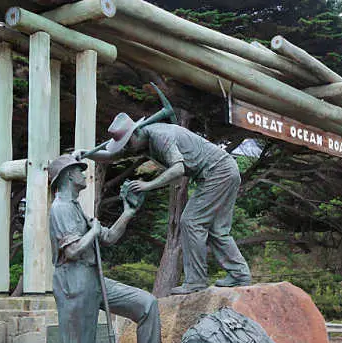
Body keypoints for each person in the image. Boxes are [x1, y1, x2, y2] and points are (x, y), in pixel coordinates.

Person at [48, 155, 162, 343]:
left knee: (146, 304)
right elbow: (72, 251)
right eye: (78, 171)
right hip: (73, 282)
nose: (84, 175)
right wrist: (93, 231)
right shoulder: (60, 209)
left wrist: (128, 211)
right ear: (66, 177)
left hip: (93, 278)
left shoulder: (76, 208)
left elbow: (108, 237)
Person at [77, 114, 251, 294]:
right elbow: (113, 155)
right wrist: (87, 154)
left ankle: (196, 281)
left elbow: (178, 169)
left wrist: (148, 185)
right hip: (225, 171)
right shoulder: (141, 141)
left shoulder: (160, 136)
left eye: (128, 143)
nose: (127, 148)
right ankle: (239, 274)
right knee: (218, 230)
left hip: (218, 172)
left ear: (135, 133)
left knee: (191, 222)